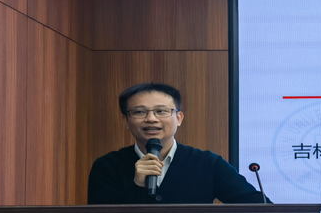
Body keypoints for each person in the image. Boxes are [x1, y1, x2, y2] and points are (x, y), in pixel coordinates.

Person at [87, 82, 266, 204]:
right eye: (139, 112)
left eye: (161, 111)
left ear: (178, 118)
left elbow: (259, 209)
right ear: (126, 121)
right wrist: (137, 186)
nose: (151, 119)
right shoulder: (107, 166)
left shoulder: (208, 163)